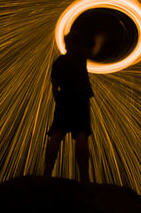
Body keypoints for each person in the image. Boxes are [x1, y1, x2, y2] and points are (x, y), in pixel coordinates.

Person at [44, 31, 97, 183]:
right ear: (77, 45)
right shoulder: (80, 58)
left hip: (64, 101)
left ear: (66, 45)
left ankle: (47, 173)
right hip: (80, 100)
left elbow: (54, 88)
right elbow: (93, 48)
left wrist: (59, 100)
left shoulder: (58, 62)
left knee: (57, 133)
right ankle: (84, 177)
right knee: (81, 134)